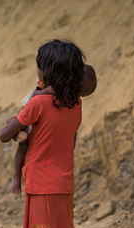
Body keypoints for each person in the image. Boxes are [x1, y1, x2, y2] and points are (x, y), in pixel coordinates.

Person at [0, 39, 94, 228]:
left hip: (41, 186)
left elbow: (5, 136)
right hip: (64, 185)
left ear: (46, 72)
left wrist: (16, 118)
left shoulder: (38, 104)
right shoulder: (75, 104)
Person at [10, 64, 97, 194]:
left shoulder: (73, 101)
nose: (77, 96)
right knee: (23, 146)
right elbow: (34, 96)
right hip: (29, 118)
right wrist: (45, 92)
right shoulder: (49, 84)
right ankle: (16, 175)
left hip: (43, 133)